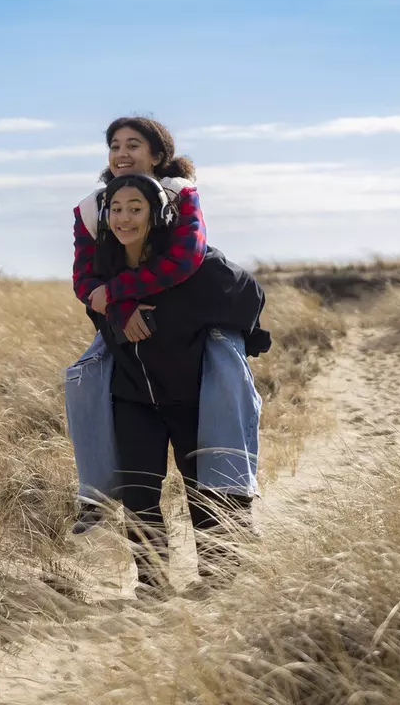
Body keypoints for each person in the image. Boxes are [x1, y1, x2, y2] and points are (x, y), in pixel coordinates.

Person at [65, 117, 269, 542]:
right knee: (83, 381)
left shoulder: (181, 197)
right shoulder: (92, 210)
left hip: (196, 355)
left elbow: (184, 261)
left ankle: (221, 576)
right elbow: (85, 282)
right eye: (114, 145)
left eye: (133, 144)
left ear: (157, 155)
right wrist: (119, 311)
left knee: (212, 476)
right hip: (135, 375)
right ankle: (99, 502)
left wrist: (116, 294)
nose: (122, 153)